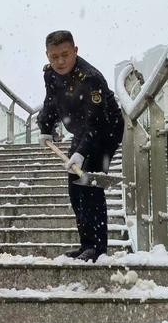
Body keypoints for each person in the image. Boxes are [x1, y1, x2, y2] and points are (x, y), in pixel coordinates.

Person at [37, 30, 124, 262]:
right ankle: (86, 244)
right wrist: (45, 126)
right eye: (54, 57)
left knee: (90, 185)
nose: (60, 62)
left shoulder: (91, 78)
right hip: (81, 130)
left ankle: (98, 248)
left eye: (65, 54)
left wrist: (81, 152)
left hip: (105, 131)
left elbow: (95, 123)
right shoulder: (50, 75)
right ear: (47, 55)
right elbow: (51, 101)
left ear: (75, 50)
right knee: (75, 189)